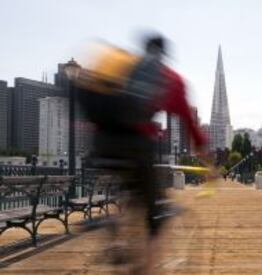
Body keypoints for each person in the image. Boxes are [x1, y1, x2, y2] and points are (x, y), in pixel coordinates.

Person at [77, 34, 207, 273]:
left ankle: (115, 232)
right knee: (155, 212)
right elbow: (190, 123)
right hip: (136, 145)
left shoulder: (124, 67)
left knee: (130, 193)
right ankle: (144, 268)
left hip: (103, 142)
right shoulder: (170, 78)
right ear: (164, 54)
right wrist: (208, 161)